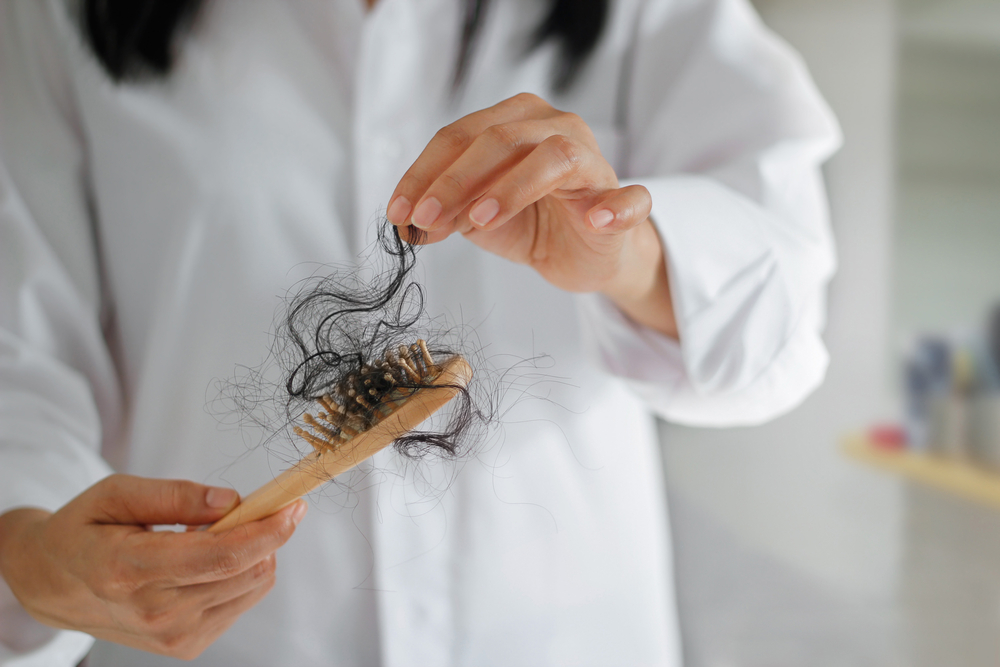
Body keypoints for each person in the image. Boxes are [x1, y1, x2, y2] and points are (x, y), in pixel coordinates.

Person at [0, 0, 840, 664]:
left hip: (568, 634)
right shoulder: (50, 19)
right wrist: (32, 551)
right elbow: (18, 363)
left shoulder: (650, 14)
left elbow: (787, 307)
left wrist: (631, 253)